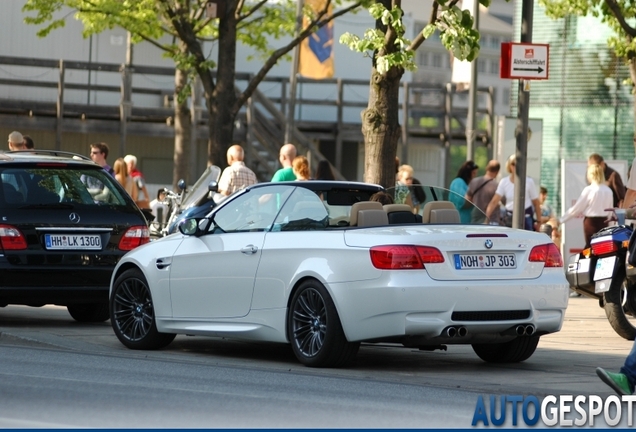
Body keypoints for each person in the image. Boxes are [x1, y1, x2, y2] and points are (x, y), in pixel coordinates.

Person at [559, 163, 612, 248]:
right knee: (602, 247)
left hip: (591, 223)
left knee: (590, 247)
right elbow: (610, 212)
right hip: (604, 222)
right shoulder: (608, 190)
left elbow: (577, 208)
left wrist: (562, 220)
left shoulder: (589, 190)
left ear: (591, 175)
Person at [485, 154, 542, 231]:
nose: (516, 166)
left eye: (518, 164)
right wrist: (486, 219)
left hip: (526, 217)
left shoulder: (529, 181)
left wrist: (539, 222)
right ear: (509, 166)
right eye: (513, 164)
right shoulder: (504, 182)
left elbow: (536, 203)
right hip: (509, 217)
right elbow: (494, 201)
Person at [465, 160, 500, 224]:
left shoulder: (474, 182)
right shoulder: (496, 186)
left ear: (486, 168)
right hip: (491, 219)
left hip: (476, 217)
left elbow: (467, 199)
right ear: (497, 172)